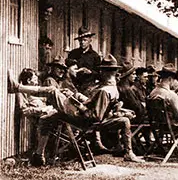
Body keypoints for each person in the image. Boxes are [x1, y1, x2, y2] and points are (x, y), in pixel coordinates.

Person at [7, 54, 145, 165]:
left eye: (102, 70)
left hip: (83, 120)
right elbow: (96, 105)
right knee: (48, 118)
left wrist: (74, 102)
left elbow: (94, 115)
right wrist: (75, 95)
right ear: (114, 73)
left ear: (104, 72)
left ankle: (17, 88)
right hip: (88, 119)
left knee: (52, 91)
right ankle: (39, 155)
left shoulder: (104, 91)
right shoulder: (112, 88)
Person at [67, 26, 101, 95]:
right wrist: (70, 69)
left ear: (90, 40)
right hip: (73, 86)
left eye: (85, 40)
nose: (82, 42)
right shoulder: (73, 53)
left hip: (89, 88)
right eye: (80, 40)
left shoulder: (95, 56)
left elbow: (99, 74)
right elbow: (67, 67)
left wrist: (90, 72)